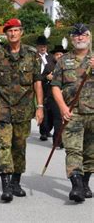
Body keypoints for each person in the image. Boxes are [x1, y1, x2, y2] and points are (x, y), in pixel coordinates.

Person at [0, 18, 44, 202]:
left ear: (22, 32)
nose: (13, 34)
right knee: (4, 145)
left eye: (16, 30)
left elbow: (37, 81)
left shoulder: (31, 54)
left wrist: (40, 106)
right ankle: (5, 186)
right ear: (6, 34)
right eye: (9, 31)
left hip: (24, 109)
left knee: (19, 146)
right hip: (1, 108)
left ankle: (16, 182)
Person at [51, 23, 93, 203]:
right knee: (73, 150)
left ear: (89, 37)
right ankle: (76, 186)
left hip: (93, 113)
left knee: (90, 152)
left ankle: (85, 183)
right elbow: (55, 86)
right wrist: (62, 107)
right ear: (71, 38)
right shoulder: (63, 60)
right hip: (72, 113)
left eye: (83, 35)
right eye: (76, 35)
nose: (80, 38)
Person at [44, 44, 67, 148]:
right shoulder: (49, 65)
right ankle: (57, 141)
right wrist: (47, 77)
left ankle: (62, 138)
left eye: (61, 54)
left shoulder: (68, 65)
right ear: (54, 55)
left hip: (66, 95)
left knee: (62, 118)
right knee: (58, 117)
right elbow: (41, 78)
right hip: (52, 95)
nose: (59, 56)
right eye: (57, 54)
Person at [35, 35, 55, 141]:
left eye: (44, 46)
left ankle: (47, 129)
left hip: (48, 86)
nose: (43, 48)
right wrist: (44, 77)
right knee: (41, 106)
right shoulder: (33, 57)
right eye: (41, 46)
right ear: (37, 47)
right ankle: (43, 132)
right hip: (36, 84)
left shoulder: (51, 58)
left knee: (49, 108)